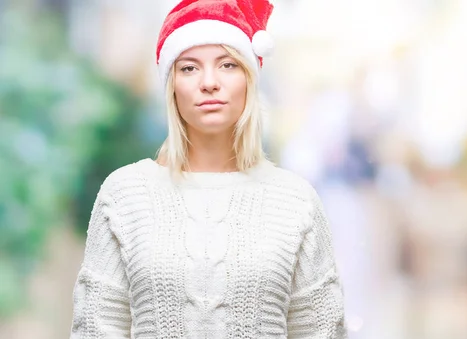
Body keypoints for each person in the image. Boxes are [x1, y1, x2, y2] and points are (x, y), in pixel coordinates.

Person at [69, 0, 348, 338]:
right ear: (171, 84)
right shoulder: (125, 195)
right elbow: (97, 327)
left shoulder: (295, 200)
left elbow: (320, 328)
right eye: (189, 68)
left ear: (249, 77)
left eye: (228, 65)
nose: (209, 82)